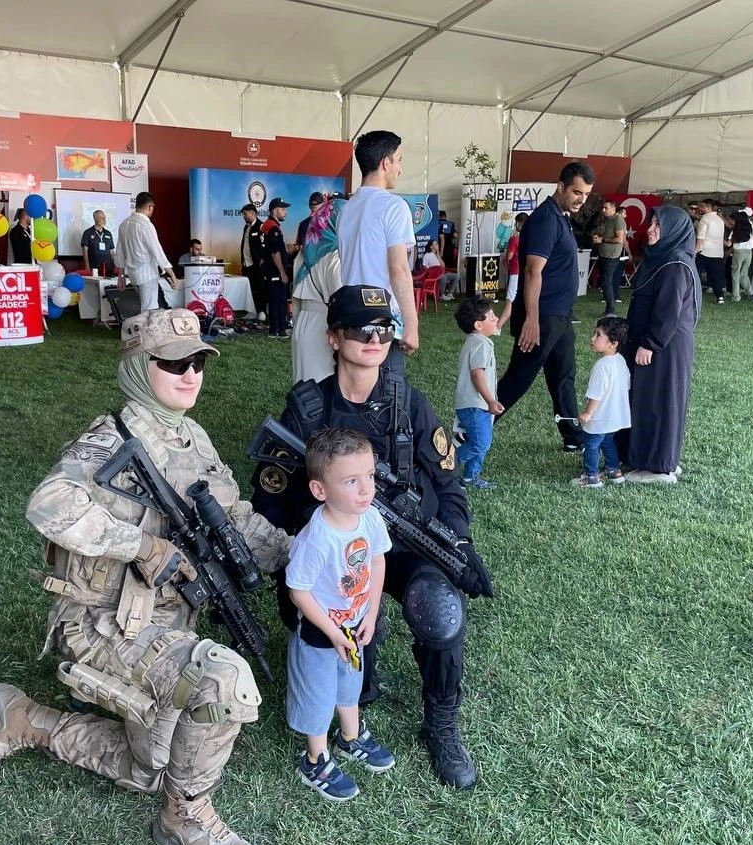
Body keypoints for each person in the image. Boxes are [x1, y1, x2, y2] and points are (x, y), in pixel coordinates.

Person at [0, 308, 291, 845]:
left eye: (198, 362)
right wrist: (139, 545)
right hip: (102, 621)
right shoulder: (109, 438)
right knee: (224, 680)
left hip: (168, 621)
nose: (191, 375)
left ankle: (23, 719)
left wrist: (299, 554)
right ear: (141, 367)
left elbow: (234, 516)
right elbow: (49, 504)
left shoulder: (191, 436)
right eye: (174, 364)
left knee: (155, 768)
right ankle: (185, 818)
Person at [252, 284, 493, 790]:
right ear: (334, 337)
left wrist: (460, 544)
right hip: (331, 550)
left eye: (386, 330)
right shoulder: (307, 411)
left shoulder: (410, 405)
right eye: (362, 331)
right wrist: (317, 538)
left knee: (440, 610)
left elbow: (448, 485)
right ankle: (352, 696)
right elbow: (271, 501)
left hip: (401, 543)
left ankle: (441, 723)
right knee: (333, 619)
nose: (376, 340)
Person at [286, 427, 395, 802]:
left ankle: (350, 736)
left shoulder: (370, 518)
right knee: (318, 694)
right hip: (322, 633)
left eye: (370, 476)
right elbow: (299, 591)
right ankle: (315, 759)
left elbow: (377, 561)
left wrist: (371, 613)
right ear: (320, 490)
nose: (367, 489)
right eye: (351, 481)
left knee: (350, 684)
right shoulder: (318, 538)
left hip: (354, 623)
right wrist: (333, 633)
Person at [491, 162, 595, 452]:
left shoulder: (562, 216)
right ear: (560, 187)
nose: (581, 199)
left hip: (560, 317)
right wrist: (532, 320)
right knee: (519, 377)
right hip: (543, 316)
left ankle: (572, 436)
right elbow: (532, 272)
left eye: (586, 194)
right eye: (577, 192)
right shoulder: (545, 219)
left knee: (564, 376)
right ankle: (472, 428)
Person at [621, 206, 699, 485]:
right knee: (653, 399)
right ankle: (656, 458)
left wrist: (650, 344)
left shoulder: (674, 264)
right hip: (661, 344)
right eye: (652, 223)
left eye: (658, 225)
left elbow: (668, 311)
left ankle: (657, 467)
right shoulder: (665, 259)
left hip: (663, 347)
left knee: (659, 401)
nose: (651, 229)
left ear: (674, 231)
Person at [338, 130, 419, 372]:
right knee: (388, 391)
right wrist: (412, 325)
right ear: (386, 163)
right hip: (382, 323)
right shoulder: (394, 206)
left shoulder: (346, 209)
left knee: (354, 389)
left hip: (351, 319)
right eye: (399, 160)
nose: (400, 168)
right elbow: (399, 269)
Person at [572, 316, 630, 489]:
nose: (592, 338)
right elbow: (626, 385)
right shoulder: (620, 360)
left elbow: (596, 394)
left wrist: (587, 413)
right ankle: (614, 471)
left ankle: (591, 477)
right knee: (607, 441)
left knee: (591, 444)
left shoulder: (601, 366)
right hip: (614, 416)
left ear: (613, 343)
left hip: (599, 417)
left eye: (598, 335)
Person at [291, 197, 344, 384]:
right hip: (325, 327)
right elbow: (341, 302)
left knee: (302, 385)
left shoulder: (303, 254)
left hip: (302, 322)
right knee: (324, 386)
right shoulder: (336, 257)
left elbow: (295, 299)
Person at [453, 296, 504, 491]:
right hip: (476, 405)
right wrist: (491, 401)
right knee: (480, 443)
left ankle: (469, 478)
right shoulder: (480, 343)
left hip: (478, 405)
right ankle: (446, 466)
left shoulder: (475, 341)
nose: (496, 318)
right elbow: (477, 374)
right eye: (491, 316)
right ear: (478, 325)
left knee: (483, 443)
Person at [117, 191, 176, 312]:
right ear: (150, 206)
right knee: (149, 310)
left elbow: (120, 253)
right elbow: (157, 250)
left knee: (143, 308)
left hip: (133, 275)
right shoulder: (145, 225)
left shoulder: (123, 224)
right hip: (147, 274)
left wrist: (121, 276)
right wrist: (170, 272)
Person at [260, 197, 291, 340]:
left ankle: (278, 328)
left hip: (269, 270)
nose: (285, 212)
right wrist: (282, 272)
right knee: (278, 300)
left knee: (276, 299)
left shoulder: (267, 225)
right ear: (274, 211)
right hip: (275, 271)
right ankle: (277, 330)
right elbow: (275, 252)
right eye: (283, 209)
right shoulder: (272, 227)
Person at [593, 200, 627, 318]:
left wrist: (602, 239)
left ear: (613, 208)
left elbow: (620, 239)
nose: (603, 210)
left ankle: (611, 310)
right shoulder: (609, 219)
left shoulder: (618, 219)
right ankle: (609, 309)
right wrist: (599, 238)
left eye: (606, 208)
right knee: (605, 282)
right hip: (604, 255)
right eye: (603, 208)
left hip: (611, 257)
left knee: (607, 282)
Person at [694, 199, 726, 304]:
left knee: (696, 272)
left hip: (704, 251)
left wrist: (695, 250)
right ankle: (720, 296)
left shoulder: (704, 219)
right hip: (717, 252)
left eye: (702, 207)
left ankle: (694, 292)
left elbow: (700, 237)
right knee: (716, 276)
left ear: (708, 208)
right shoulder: (720, 220)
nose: (700, 209)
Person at [240, 203, 267, 321]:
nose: (244, 216)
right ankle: (252, 311)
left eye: (245, 214)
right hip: (246, 264)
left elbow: (265, 246)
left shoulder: (261, 226)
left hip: (258, 265)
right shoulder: (246, 227)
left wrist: (262, 261)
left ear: (253, 213)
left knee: (260, 287)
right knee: (250, 289)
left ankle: (262, 311)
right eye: (243, 214)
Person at [727, 207, 753, 303]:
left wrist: (720, 240)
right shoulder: (750, 228)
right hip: (749, 253)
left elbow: (728, 244)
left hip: (738, 253)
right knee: (744, 274)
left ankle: (736, 296)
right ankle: (750, 292)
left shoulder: (736, 229)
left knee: (735, 274)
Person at [80, 209, 115, 276]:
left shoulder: (108, 233)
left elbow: (112, 251)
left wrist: (116, 265)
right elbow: (85, 250)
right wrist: (87, 266)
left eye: (104, 217)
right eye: (101, 217)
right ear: (95, 218)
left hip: (108, 267)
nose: (103, 219)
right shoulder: (88, 232)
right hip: (94, 267)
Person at [290, 192, 323, 259]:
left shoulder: (303, 224)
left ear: (309, 206)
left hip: (309, 260)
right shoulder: (329, 222)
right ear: (322, 205)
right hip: (325, 260)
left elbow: (300, 247)